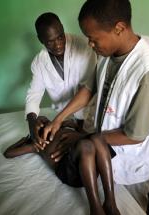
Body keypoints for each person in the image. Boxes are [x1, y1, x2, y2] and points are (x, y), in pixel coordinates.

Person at [43, 0, 149, 211]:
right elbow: (89, 88)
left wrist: (87, 139)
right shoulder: (107, 54)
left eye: (93, 38)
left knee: (136, 206)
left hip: (135, 162)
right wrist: (58, 119)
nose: (90, 44)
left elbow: (134, 135)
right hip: (108, 151)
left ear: (118, 28)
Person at [4, 117, 120, 215]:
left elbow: (88, 136)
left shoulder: (64, 128)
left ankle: (110, 202)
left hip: (92, 165)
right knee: (86, 145)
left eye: (45, 120)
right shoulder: (39, 145)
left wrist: (76, 127)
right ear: (36, 133)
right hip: (71, 171)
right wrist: (24, 140)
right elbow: (8, 153)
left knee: (97, 137)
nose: (43, 122)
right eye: (40, 125)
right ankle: (95, 208)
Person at [26, 12, 97, 148]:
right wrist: (32, 123)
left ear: (63, 29)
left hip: (88, 113)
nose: (58, 45)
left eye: (60, 37)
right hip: (64, 117)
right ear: (41, 40)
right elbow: (34, 94)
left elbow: (88, 89)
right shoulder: (39, 62)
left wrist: (61, 120)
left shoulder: (84, 46)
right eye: (50, 41)